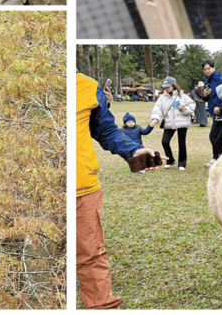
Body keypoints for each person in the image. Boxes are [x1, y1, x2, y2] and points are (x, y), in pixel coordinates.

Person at [76, 72, 157, 309]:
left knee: (91, 254)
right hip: (35, 187)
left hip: (83, 188)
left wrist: (133, 150)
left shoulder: (87, 86)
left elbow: (105, 130)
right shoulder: (16, 75)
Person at [149, 77, 195, 170]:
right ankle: (170, 160)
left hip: (182, 121)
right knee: (165, 141)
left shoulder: (182, 95)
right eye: (165, 86)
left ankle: (182, 164)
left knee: (181, 143)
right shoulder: (163, 98)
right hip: (169, 122)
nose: (166, 88)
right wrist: (155, 119)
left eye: (168, 86)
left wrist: (184, 108)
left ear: (173, 85)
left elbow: (192, 105)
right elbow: (157, 109)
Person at [202, 61, 222, 151]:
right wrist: (205, 95)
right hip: (213, 113)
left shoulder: (220, 79)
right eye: (205, 69)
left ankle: (217, 157)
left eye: (209, 68)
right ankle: (219, 157)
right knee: (218, 138)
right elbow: (205, 98)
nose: (207, 71)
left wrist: (221, 108)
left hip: (221, 113)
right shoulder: (207, 82)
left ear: (214, 68)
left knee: (214, 136)